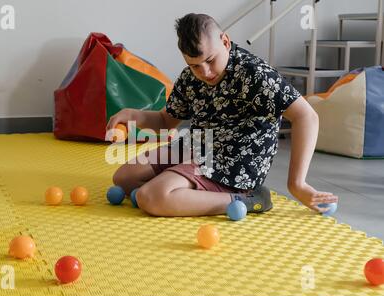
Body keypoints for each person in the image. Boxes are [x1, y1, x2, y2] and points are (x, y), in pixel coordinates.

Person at [106, 13, 338, 217]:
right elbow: (166, 120)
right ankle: (182, 185)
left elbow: (307, 117)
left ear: (225, 42)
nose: (204, 72)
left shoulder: (256, 74)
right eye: (195, 65)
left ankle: (248, 199)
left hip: (234, 164)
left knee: (151, 197)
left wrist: (297, 184)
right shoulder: (191, 77)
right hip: (197, 148)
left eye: (210, 60)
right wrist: (133, 114)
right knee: (124, 178)